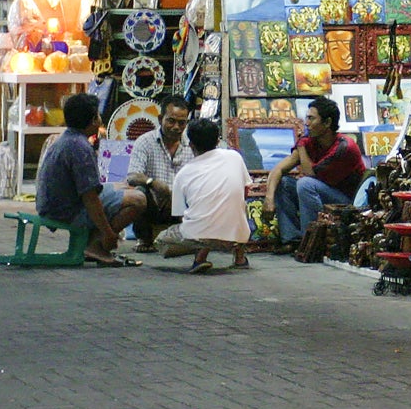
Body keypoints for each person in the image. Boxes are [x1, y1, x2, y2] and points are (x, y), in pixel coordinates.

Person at [35, 91, 149, 266]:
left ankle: (93, 243)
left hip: (54, 205)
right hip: (66, 211)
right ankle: (96, 246)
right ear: (94, 120)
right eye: (98, 116)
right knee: (139, 200)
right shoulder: (80, 148)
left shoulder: (66, 139)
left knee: (125, 188)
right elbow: (90, 198)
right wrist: (108, 233)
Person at [261, 97, 365, 254]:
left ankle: (310, 242)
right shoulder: (311, 141)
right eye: (307, 118)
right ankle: (292, 239)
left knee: (305, 184)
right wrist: (269, 199)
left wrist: (301, 146)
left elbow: (310, 174)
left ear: (327, 122)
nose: (307, 123)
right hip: (321, 192)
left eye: (311, 118)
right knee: (283, 182)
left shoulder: (344, 146)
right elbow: (278, 170)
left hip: (346, 201)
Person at [170, 118, 254, 273]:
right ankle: (240, 257)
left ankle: (200, 258)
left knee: (163, 241)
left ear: (191, 145)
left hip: (199, 234)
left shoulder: (182, 174)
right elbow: (245, 192)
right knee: (238, 208)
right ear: (217, 141)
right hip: (237, 232)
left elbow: (179, 214)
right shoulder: (234, 157)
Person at [124, 94, 193, 252]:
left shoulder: (192, 144)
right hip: (155, 205)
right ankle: (144, 239)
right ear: (160, 118)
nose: (176, 127)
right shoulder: (145, 141)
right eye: (171, 121)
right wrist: (153, 183)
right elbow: (132, 176)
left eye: (182, 123)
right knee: (139, 193)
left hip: (183, 206)